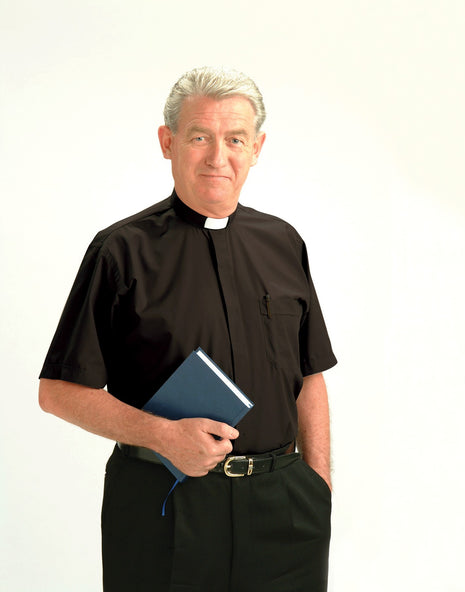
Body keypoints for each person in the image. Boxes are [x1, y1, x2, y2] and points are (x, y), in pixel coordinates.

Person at [39, 66, 337, 592]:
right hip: (163, 508)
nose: (218, 157)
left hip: (285, 512)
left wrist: (318, 488)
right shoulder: (120, 251)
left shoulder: (284, 243)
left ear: (257, 147)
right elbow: (57, 392)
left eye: (235, 139)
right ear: (167, 142)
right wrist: (163, 435)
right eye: (200, 137)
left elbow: (309, 375)